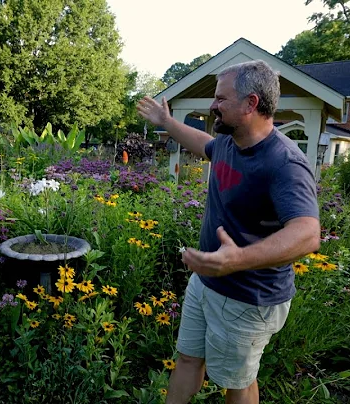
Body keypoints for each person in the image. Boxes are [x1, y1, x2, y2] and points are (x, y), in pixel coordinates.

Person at [137, 60, 321, 404]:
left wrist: (238, 259)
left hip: (249, 297)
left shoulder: (283, 162)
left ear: (251, 103)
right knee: (188, 359)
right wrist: (167, 123)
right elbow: (203, 144)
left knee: (237, 382)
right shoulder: (227, 143)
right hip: (207, 282)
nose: (213, 105)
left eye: (221, 98)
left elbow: (308, 233)